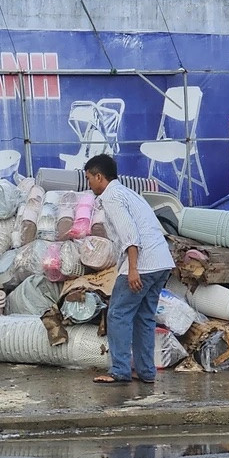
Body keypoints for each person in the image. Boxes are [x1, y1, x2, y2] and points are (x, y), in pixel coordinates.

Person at [84, 154, 174, 385]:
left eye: (89, 178)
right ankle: (146, 372)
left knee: (118, 314)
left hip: (142, 263)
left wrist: (133, 268)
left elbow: (129, 235)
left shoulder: (112, 197)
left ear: (99, 176)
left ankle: (120, 371)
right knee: (144, 317)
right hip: (161, 261)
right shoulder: (129, 193)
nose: (89, 184)